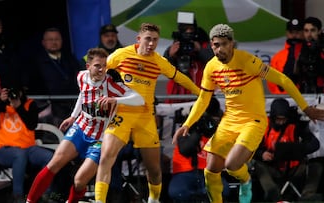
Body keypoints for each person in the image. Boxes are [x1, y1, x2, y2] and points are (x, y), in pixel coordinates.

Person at [172, 23, 324, 203]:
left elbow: (283, 80)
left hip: (252, 121)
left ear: (231, 43)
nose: (219, 49)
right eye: (216, 45)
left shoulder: (248, 62)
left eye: (224, 44)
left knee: (231, 165)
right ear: (211, 44)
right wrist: (187, 124)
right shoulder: (211, 67)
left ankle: (246, 180)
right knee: (210, 171)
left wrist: (306, 108)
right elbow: (203, 99)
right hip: (229, 121)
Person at [94, 22, 201, 203]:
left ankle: (153, 199)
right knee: (106, 157)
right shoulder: (121, 55)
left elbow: (180, 77)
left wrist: (201, 93)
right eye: (148, 39)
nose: (151, 43)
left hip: (145, 117)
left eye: (155, 40)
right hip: (122, 114)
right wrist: (94, 92)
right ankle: (99, 201)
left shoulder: (159, 61)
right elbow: (97, 71)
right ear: (138, 39)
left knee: (154, 168)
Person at [25, 48, 144, 203]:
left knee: (79, 181)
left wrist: (116, 100)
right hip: (81, 128)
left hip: (100, 139)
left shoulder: (111, 85)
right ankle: (29, 201)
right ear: (88, 67)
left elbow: (139, 99)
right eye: (97, 65)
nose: (102, 69)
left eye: (104, 65)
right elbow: (83, 94)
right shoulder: (81, 76)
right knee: (54, 164)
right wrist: (73, 117)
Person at [253, 98, 320, 202]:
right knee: (258, 165)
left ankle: (307, 196)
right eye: (278, 119)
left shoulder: (295, 125)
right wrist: (262, 154)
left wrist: (300, 149)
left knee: (317, 166)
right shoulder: (263, 125)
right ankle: (273, 194)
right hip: (273, 167)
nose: (281, 122)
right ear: (273, 117)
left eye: (283, 119)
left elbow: (315, 144)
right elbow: (251, 148)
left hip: (295, 168)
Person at [0, 86, 54, 203]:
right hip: (4, 149)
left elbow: (31, 125)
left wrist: (19, 108)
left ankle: (46, 194)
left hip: (28, 148)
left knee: (49, 157)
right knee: (20, 154)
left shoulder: (29, 104)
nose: (13, 95)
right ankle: (18, 196)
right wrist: (0, 101)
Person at [169, 96, 230, 202]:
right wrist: (198, 129)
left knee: (222, 190)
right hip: (185, 171)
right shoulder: (185, 129)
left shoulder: (218, 130)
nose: (213, 121)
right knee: (178, 192)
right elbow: (186, 150)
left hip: (209, 171)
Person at [26, 27, 83, 126]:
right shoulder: (35, 62)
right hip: (50, 108)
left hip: (72, 105)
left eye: (57, 39)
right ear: (43, 42)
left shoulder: (70, 59)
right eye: (50, 40)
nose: (54, 42)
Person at [163, 18, 213, 103]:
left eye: (191, 29)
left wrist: (200, 51)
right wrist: (170, 56)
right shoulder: (175, 46)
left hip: (200, 92)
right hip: (177, 95)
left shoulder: (204, 45)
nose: (188, 32)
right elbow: (165, 69)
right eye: (185, 28)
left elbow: (213, 63)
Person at [268, 18, 304, 94]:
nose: (294, 35)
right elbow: (271, 82)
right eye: (291, 32)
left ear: (303, 33)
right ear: (287, 33)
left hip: (307, 97)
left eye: (298, 32)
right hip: (284, 98)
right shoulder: (277, 57)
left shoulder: (309, 53)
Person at [295, 17, 324, 94]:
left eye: (312, 30)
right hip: (304, 91)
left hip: (323, 92)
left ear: (319, 31)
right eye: (306, 31)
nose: (309, 34)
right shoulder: (299, 49)